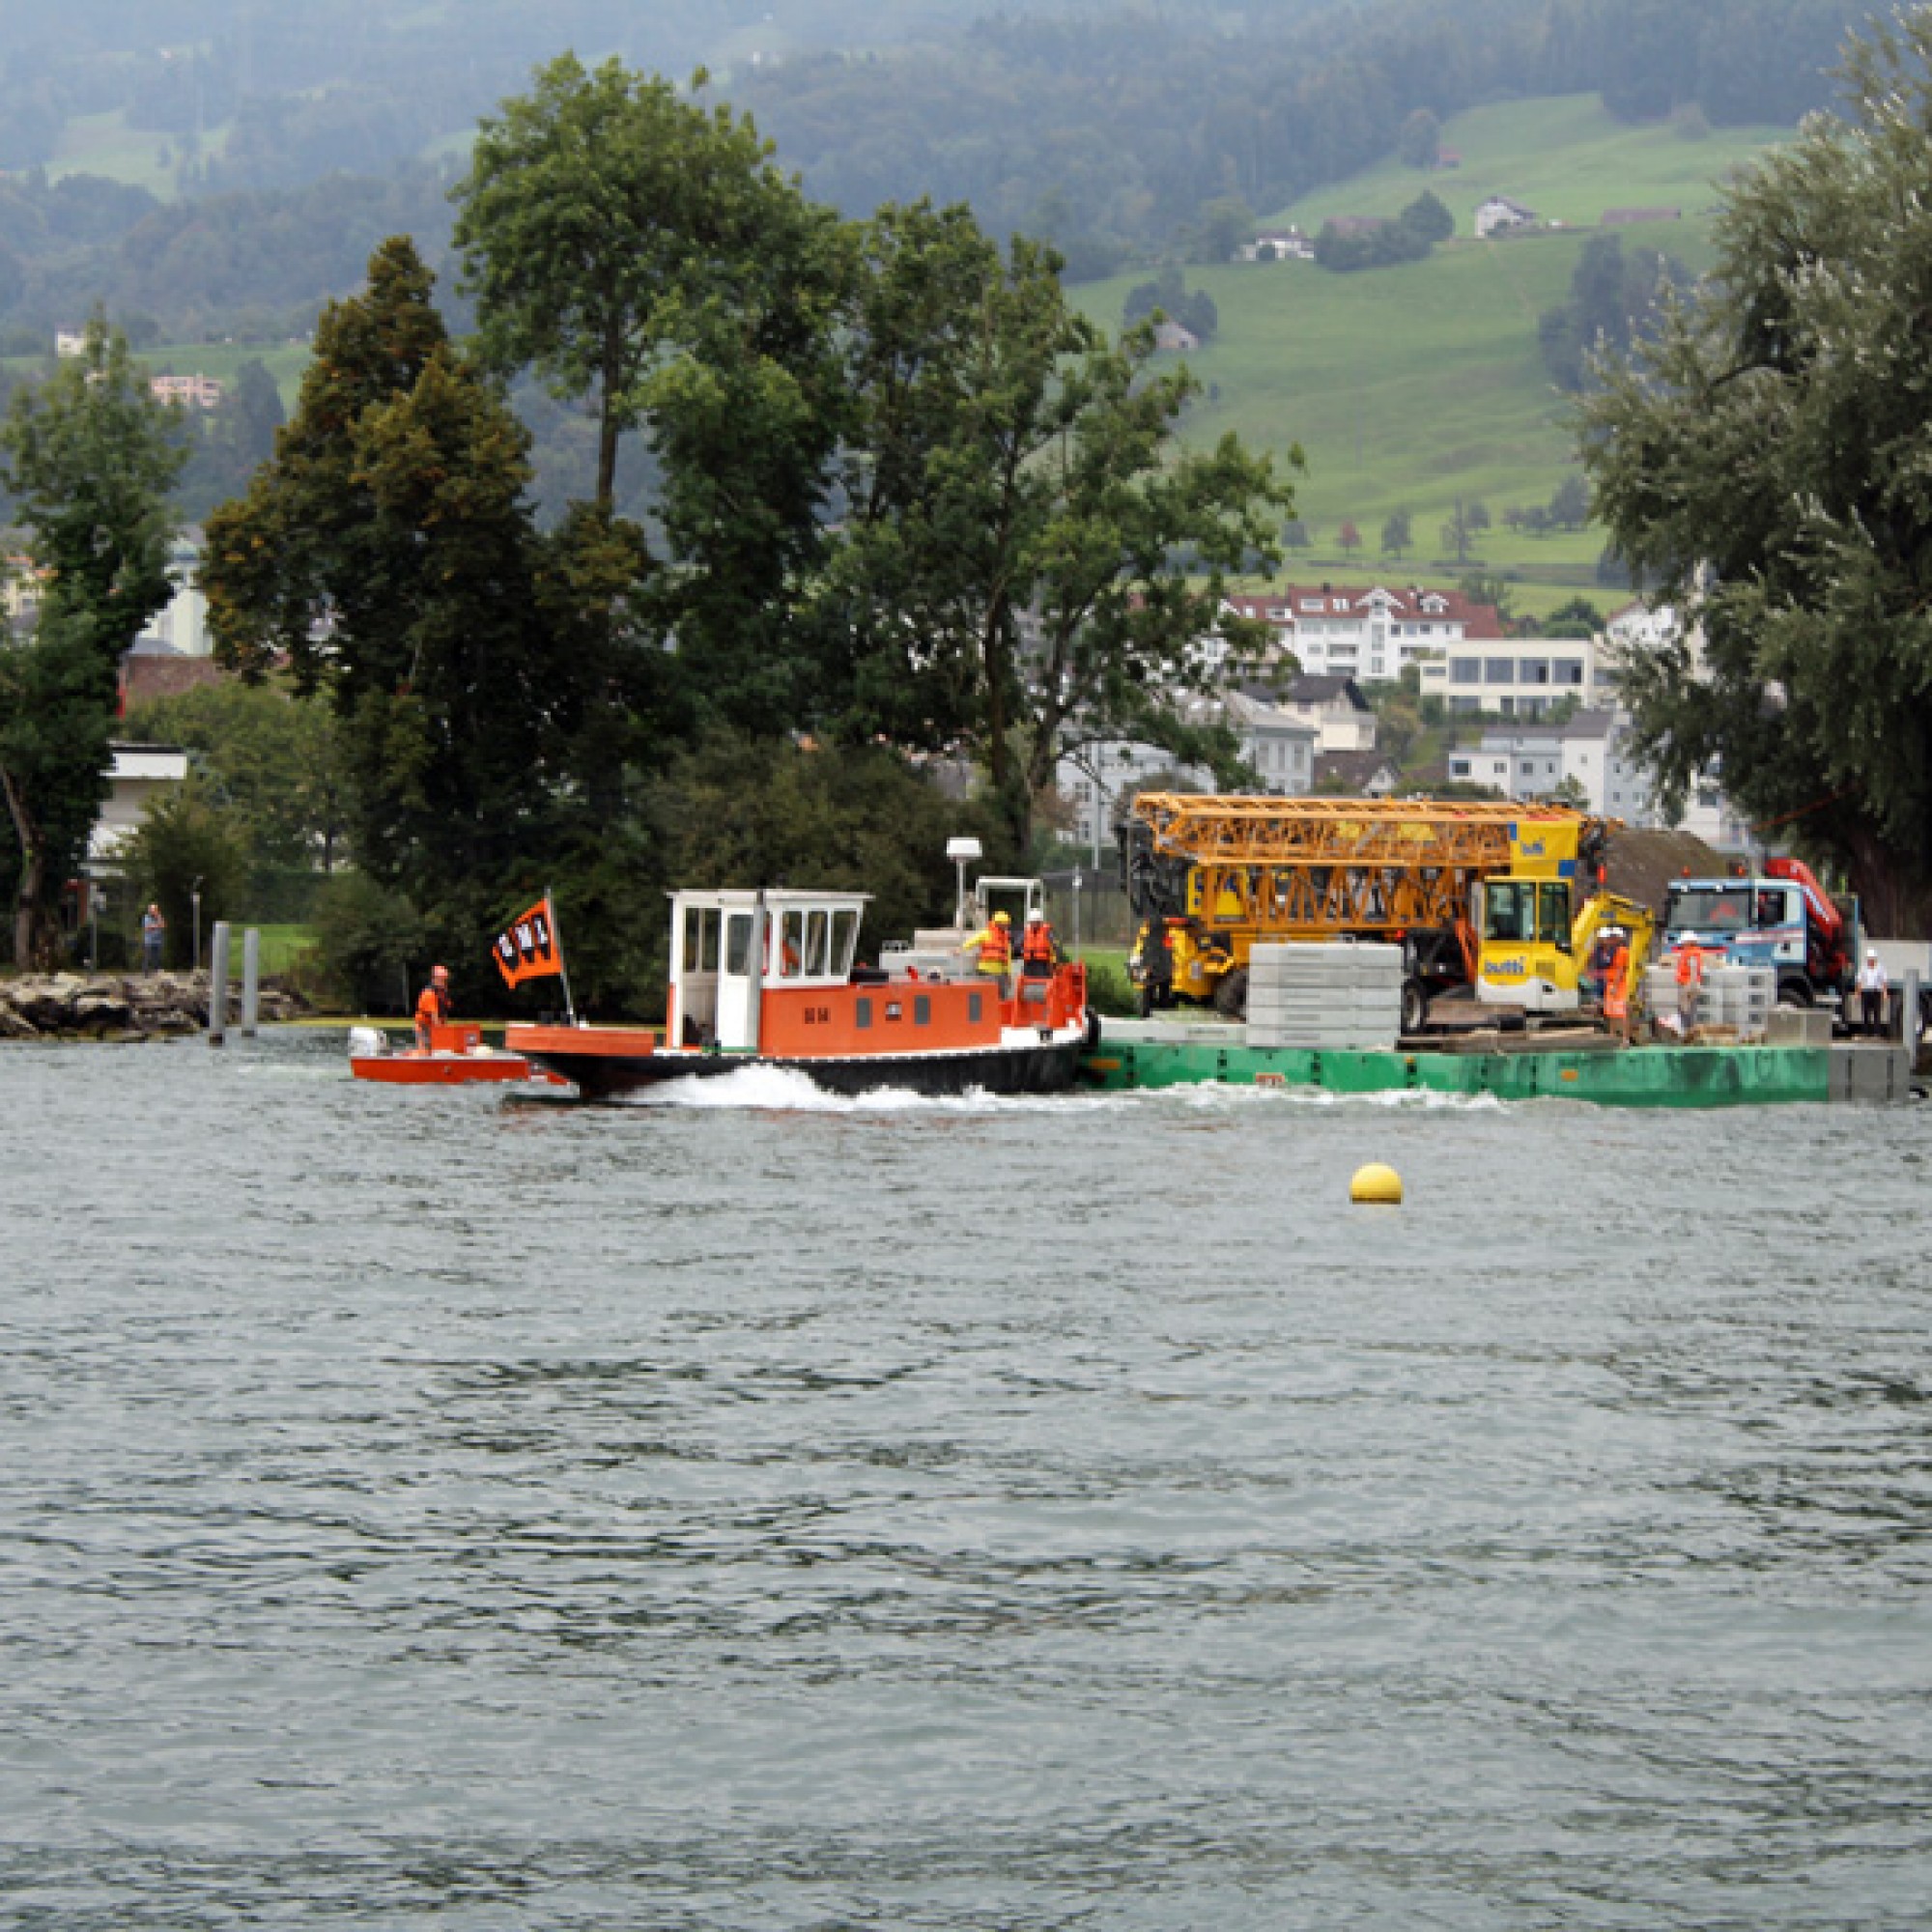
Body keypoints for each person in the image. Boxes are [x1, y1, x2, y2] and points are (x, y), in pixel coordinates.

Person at [964, 909, 1013, 996]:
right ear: (998, 923)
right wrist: (960, 949)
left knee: (1001, 996)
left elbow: (1008, 958)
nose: (1006, 925)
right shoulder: (986, 934)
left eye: (1007, 923)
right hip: (986, 971)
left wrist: (1008, 974)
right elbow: (971, 942)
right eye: (1005, 923)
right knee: (987, 996)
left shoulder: (1006, 938)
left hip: (1000, 973)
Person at [1602, 925, 1633, 1045]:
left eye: (1612, 937)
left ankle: (1625, 1038)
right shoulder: (1612, 951)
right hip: (1612, 984)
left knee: (1621, 1012)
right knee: (1611, 1012)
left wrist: (1614, 985)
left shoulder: (1621, 951)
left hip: (1619, 986)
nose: (1610, 940)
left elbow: (1620, 969)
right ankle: (1612, 1036)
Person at [1674, 933, 1706, 1040]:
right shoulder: (1690, 953)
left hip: (1688, 985)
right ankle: (1688, 1032)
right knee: (1686, 1009)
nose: (1682, 944)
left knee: (1687, 1010)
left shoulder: (1692, 954)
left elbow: (1693, 971)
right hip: (1688, 984)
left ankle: (1689, 1033)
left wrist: (1688, 988)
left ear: (1689, 942)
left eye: (1684, 942)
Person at [414, 963, 452, 1052]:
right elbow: (434, 1017)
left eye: (445, 980)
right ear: (434, 979)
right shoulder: (429, 994)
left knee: (441, 1050)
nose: (444, 982)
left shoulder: (443, 994)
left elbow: (444, 1014)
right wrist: (442, 1035)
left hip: (436, 1027)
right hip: (424, 1028)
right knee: (425, 1052)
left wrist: (446, 1031)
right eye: (442, 980)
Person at [1858, 947, 1889, 1037]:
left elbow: (1884, 980)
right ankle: (1865, 1032)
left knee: (1876, 1012)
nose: (1870, 961)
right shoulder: (1863, 968)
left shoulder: (1880, 968)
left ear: (1875, 959)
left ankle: (1876, 1032)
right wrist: (1858, 992)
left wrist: (1885, 992)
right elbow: (1860, 980)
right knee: (1865, 1013)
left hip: (1876, 992)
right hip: (1866, 992)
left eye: (1872, 959)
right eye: (1869, 959)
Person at [1020, 912, 1058, 980]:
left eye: (1035, 922)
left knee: (1042, 981)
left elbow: (1054, 945)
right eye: (1032, 922)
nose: (1034, 924)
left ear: (1040, 922)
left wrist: (1053, 962)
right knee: (1027, 981)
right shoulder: (1026, 931)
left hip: (1042, 963)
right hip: (1028, 962)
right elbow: (1019, 944)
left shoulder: (1047, 931)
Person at [141, 902, 166, 975]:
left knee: (157, 958)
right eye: (152, 909)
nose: (153, 911)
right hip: (149, 941)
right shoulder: (146, 917)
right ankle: (146, 972)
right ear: (149, 910)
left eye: (155, 909)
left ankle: (157, 972)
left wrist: (158, 919)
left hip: (158, 941)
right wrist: (157, 925)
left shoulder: (159, 917)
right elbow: (147, 928)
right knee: (147, 958)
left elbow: (163, 925)